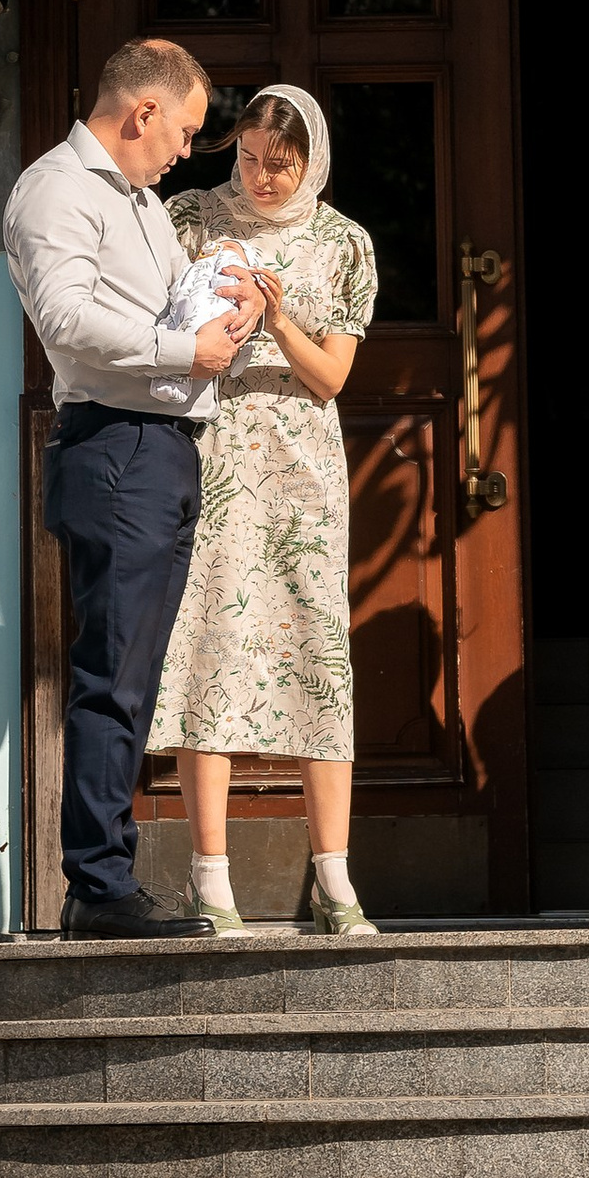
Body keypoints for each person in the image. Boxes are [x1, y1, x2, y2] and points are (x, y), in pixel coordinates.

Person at [2, 37, 258, 936]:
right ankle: (100, 887)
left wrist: (222, 303)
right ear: (141, 112)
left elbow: (148, 311)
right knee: (112, 676)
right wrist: (187, 349)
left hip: (162, 446)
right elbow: (67, 319)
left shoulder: (139, 201)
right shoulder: (58, 190)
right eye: (183, 131)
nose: (186, 151)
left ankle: (105, 878)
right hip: (115, 449)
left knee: (134, 674)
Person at [149, 88, 382, 936]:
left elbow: (331, 380)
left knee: (317, 648)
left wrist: (278, 319)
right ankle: (209, 877)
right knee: (207, 640)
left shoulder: (343, 242)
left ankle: (333, 878)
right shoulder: (191, 218)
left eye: (279, 164)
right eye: (248, 157)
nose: (261, 176)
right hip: (209, 446)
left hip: (300, 463)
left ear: (311, 160)